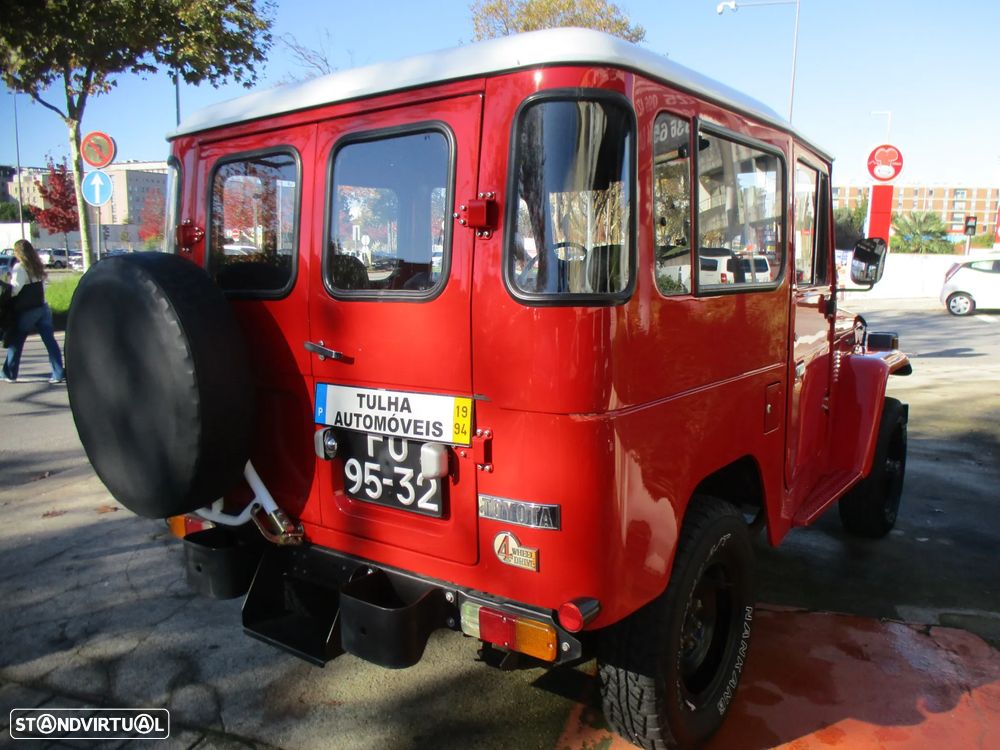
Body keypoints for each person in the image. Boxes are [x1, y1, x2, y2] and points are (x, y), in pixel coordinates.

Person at [2, 239, 65, 384]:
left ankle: (9, 373)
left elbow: (15, 290)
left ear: (18, 252)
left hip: (28, 311)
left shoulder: (20, 267)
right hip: (43, 307)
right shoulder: (37, 266)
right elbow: (44, 287)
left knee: (16, 341)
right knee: (50, 342)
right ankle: (57, 373)